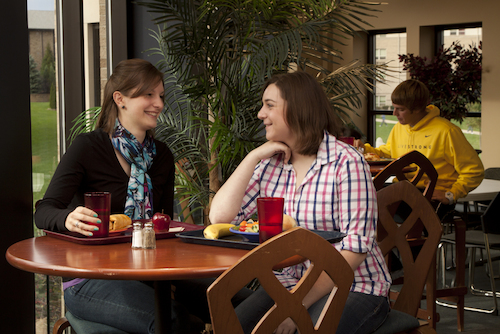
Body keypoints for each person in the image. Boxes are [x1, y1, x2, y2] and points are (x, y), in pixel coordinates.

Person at [209, 71, 391, 334]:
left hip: (355, 286)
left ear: (298, 109)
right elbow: (221, 218)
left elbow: (355, 249)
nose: (261, 114)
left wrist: (297, 306)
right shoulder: (269, 163)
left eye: (269, 105)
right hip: (285, 286)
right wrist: (252, 157)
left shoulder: (346, 163)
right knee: (229, 328)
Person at [35, 59, 203, 334]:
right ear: (120, 99)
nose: (158, 104)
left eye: (161, 95)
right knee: (171, 319)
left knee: (235, 300)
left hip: (150, 272)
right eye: (148, 94)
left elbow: (162, 223)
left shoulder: (162, 156)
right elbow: (43, 211)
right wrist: (69, 218)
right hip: (88, 279)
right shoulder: (87, 148)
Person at [354, 79, 484, 218]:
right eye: (394, 107)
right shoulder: (399, 127)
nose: (394, 113)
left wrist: (451, 194)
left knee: (372, 207)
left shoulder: (447, 131)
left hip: (431, 196)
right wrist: (365, 149)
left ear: (416, 109)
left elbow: (474, 170)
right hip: (402, 192)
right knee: (362, 198)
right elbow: (389, 153)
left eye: (401, 109)